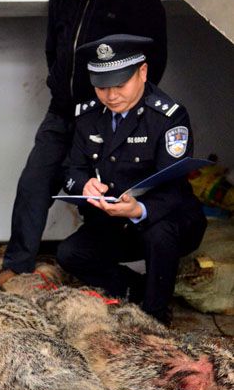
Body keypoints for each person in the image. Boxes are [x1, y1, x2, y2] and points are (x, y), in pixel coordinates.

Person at [0, 0, 167, 284]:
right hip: (63, 111)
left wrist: (127, 108)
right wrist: (59, 84)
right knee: (35, 180)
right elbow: (52, 51)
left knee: (112, 193)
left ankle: (142, 276)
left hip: (112, 115)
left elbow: (154, 59)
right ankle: (16, 264)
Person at [56, 34, 207, 325]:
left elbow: (173, 187)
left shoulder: (167, 117)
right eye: (101, 86)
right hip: (113, 221)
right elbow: (71, 171)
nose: (110, 95)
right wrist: (84, 185)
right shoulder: (87, 116)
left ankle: (155, 316)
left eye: (120, 85)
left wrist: (139, 209)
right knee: (69, 253)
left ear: (143, 72)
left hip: (166, 220)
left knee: (158, 234)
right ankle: (139, 291)